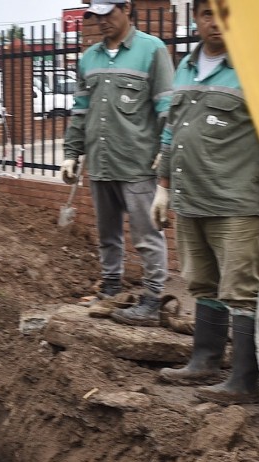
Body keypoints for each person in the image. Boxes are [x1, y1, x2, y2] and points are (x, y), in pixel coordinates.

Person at [153, 0, 259, 403]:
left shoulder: (255, 68)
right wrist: (163, 186)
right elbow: (172, 131)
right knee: (202, 283)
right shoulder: (186, 66)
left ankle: (242, 382)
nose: (215, 23)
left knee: (240, 289)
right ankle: (204, 361)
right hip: (191, 199)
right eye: (207, 13)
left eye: (224, 14)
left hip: (236, 202)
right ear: (196, 18)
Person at [61, 0, 174, 327]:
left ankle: (152, 300)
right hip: (101, 161)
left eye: (108, 13)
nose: (101, 21)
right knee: (107, 233)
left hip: (137, 162)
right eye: (96, 15)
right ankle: (110, 287)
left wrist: (164, 155)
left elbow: (167, 108)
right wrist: (72, 152)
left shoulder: (152, 51)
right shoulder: (89, 58)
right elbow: (80, 110)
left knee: (146, 234)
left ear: (127, 9)